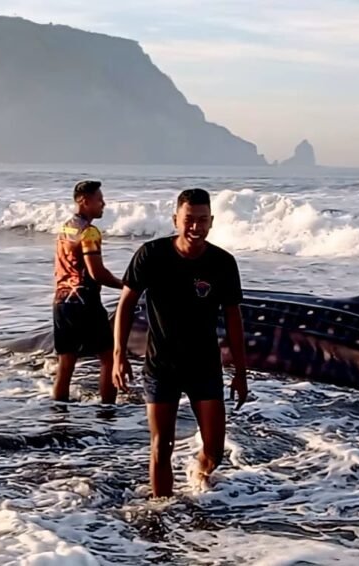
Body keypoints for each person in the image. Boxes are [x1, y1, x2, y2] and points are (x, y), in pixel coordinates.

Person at [112, 188, 248, 497]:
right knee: (162, 446)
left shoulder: (222, 263)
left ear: (212, 221)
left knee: (214, 450)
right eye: (189, 220)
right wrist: (119, 355)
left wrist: (241, 372)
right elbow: (125, 304)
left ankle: (198, 476)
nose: (196, 228)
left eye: (203, 220)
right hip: (162, 365)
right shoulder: (151, 254)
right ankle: (163, 511)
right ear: (176, 219)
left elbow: (233, 319)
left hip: (204, 365)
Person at [52, 180, 123, 404]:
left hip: (62, 301)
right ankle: (107, 413)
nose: (103, 203)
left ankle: (59, 414)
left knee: (66, 362)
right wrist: (125, 285)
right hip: (85, 301)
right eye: (99, 199)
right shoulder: (89, 232)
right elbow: (96, 272)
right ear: (84, 201)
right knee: (108, 358)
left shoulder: (66, 227)